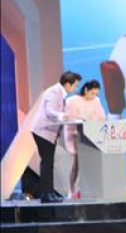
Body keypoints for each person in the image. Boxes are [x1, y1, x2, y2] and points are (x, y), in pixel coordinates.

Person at [30, 71, 81, 203]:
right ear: (68, 84)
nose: (76, 89)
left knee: (49, 163)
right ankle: (46, 195)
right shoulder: (53, 91)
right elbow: (49, 111)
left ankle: (50, 192)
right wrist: (61, 115)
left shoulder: (60, 93)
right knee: (47, 163)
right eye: (75, 86)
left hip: (49, 132)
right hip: (42, 131)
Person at [64, 80, 106, 199]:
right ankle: (72, 190)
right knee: (76, 163)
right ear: (86, 90)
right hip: (75, 135)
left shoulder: (96, 101)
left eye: (96, 94)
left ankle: (88, 190)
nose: (94, 96)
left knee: (92, 162)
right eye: (92, 93)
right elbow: (68, 117)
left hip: (91, 135)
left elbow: (102, 117)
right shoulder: (72, 100)